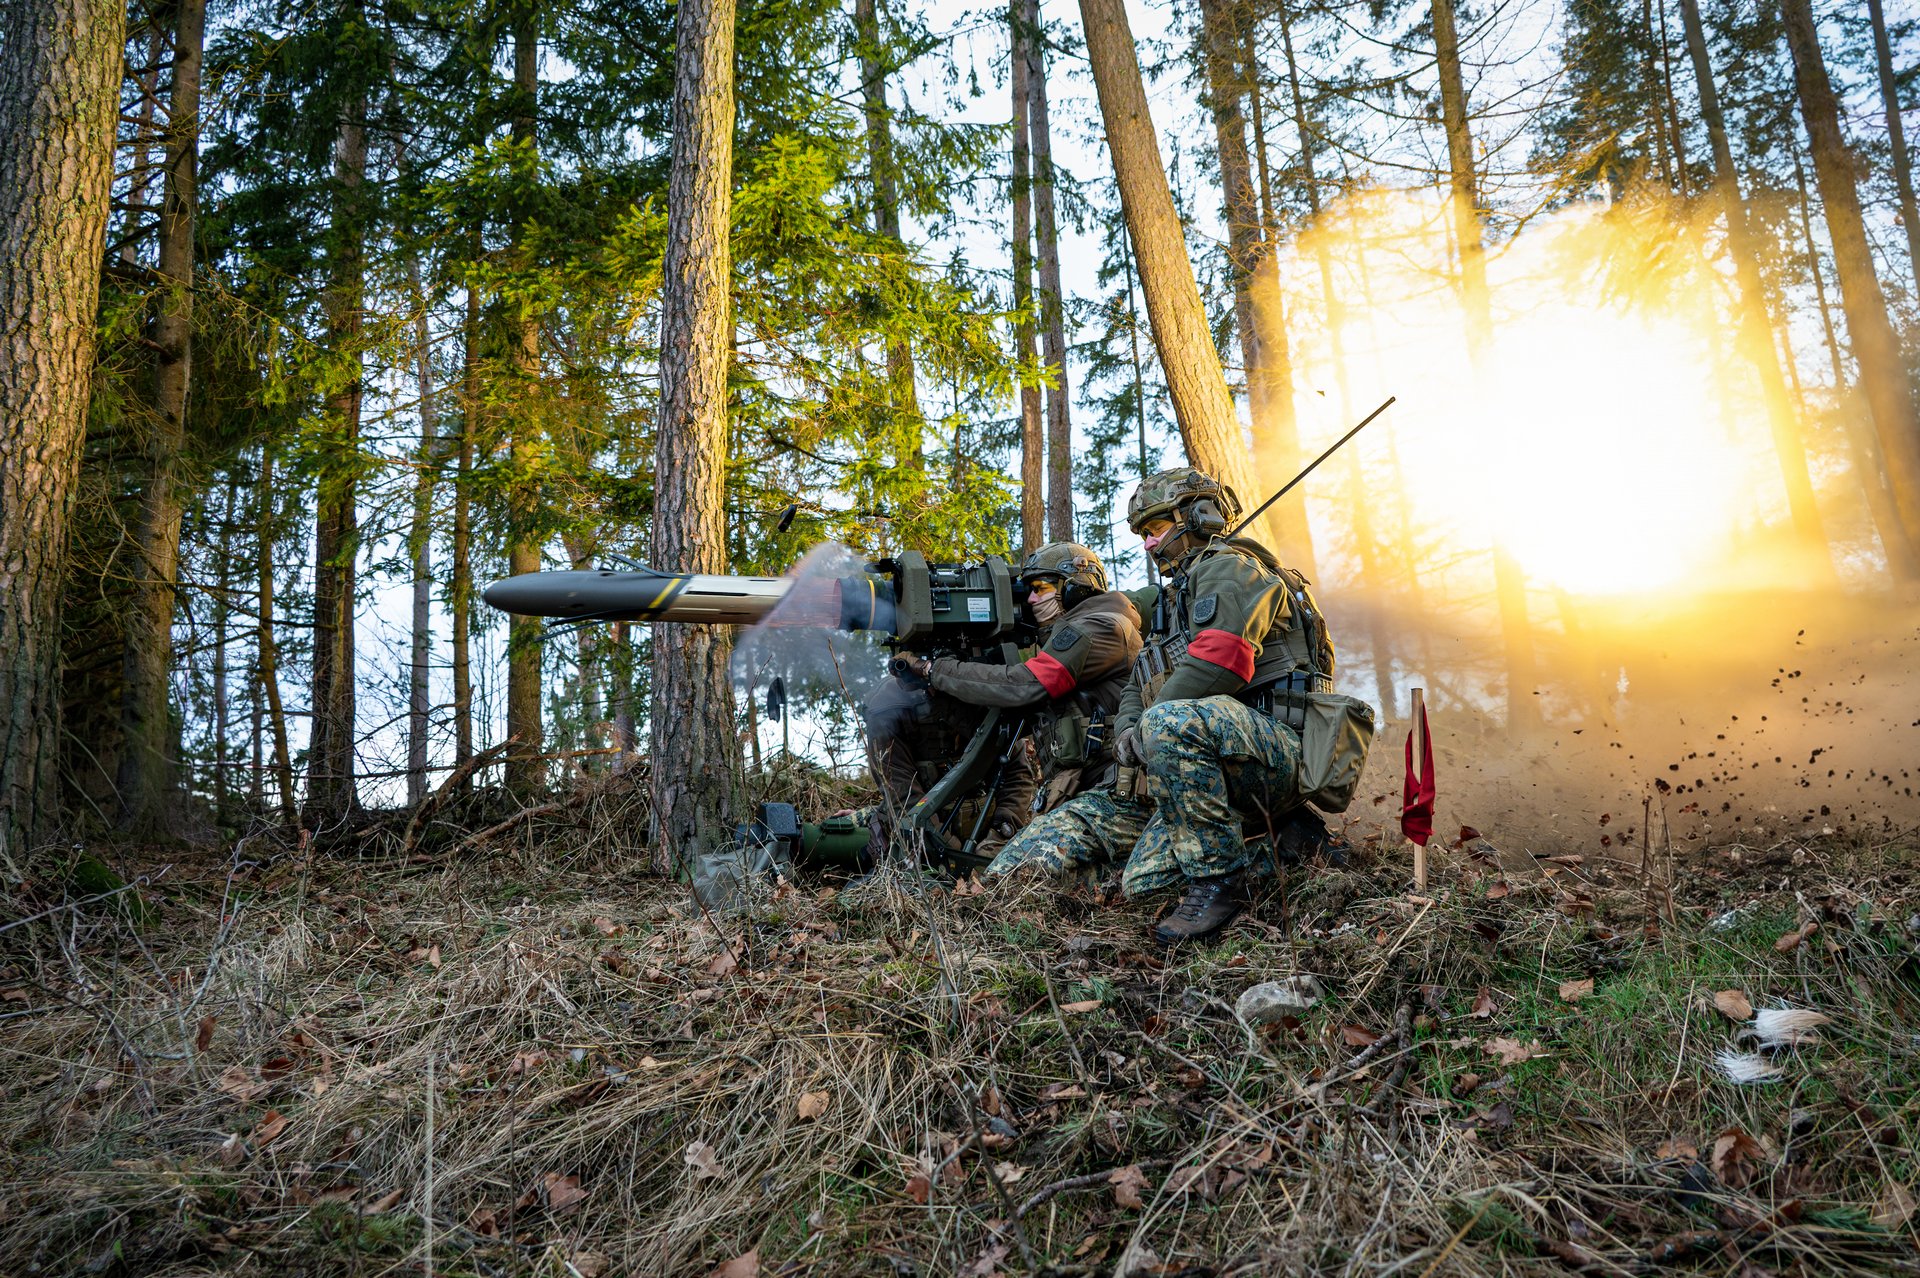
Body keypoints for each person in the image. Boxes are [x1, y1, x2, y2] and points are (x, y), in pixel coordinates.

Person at [986, 468, 1342, 945]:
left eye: (1155, 530)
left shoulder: (1233, 568)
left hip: (1272, 756)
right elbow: (1139, 682)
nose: (1150, 546)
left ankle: (1231, 875)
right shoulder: (1176, 600)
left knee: (1169, 720)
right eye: (1144, 535)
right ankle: (1263, 846)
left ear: (1197, 516)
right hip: (1196, 769)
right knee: (1114, 880)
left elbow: (1223, 660)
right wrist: (1129, 732)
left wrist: (1149, 726)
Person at [864, 542, 1143, 860]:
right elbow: (1008, 723)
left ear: (1076, 588)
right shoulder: (1072, 634)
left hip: (1115, 793)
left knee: (1007, 878)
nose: (1032, 599)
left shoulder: (1100, 627)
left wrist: (933, 669)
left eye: (1041, 588)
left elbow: (1024, 686)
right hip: (1084, 793)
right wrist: (936, 693)